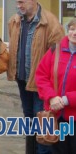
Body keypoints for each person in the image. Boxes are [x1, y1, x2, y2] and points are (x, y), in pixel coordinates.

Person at [7, 0, 64, 154]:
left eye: (21, 2)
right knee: (29, 118)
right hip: (22, 79)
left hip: (41, 82)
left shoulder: (51, 23)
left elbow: (58, 54)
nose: (18, 6)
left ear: (33, 0)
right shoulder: (15, 20)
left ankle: (43, 152)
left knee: (43, 120)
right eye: (17, 2)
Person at [35, 18, 76, 154]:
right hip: (56, 116)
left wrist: (65, 100)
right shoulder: (55, 50)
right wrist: (51, 97)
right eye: (72, 29)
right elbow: (41, 76)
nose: (74, 33)